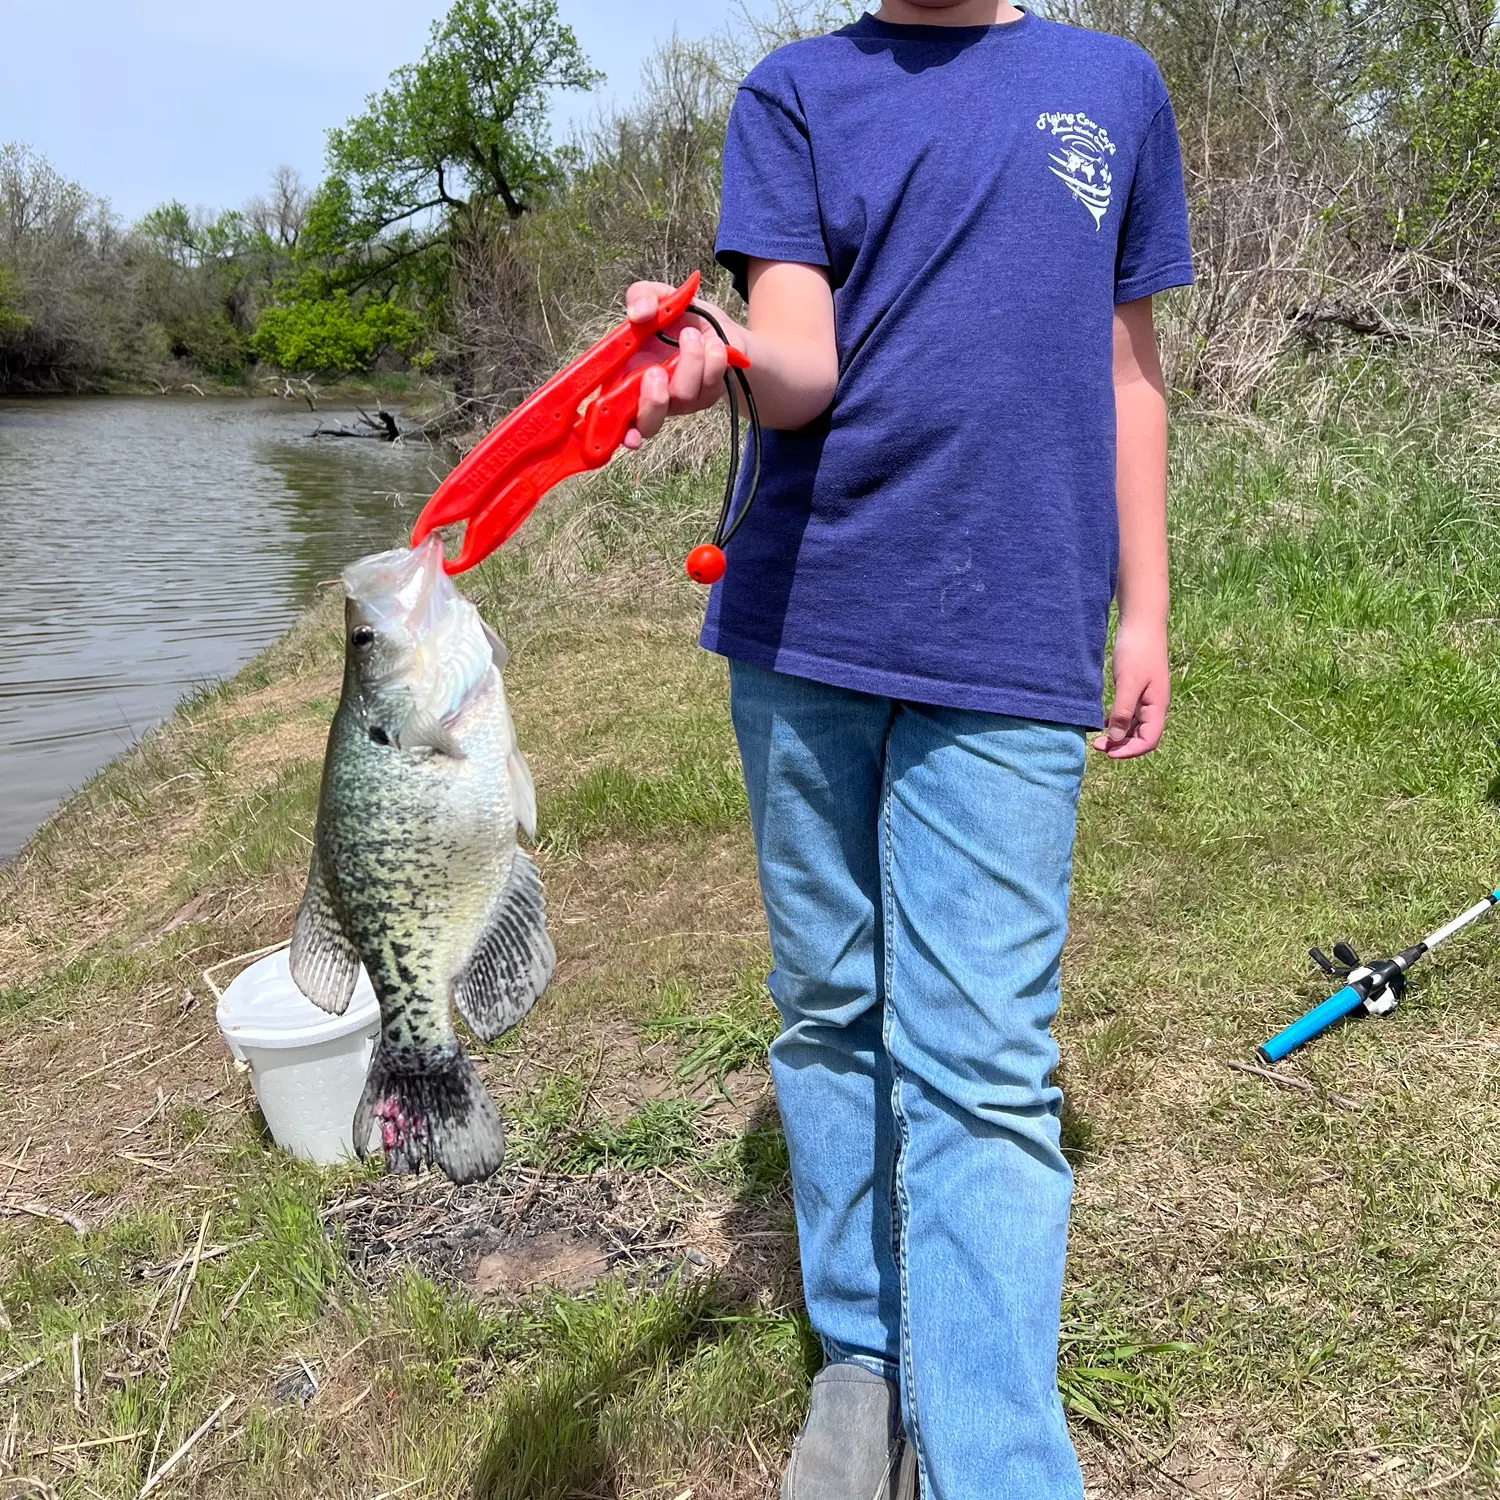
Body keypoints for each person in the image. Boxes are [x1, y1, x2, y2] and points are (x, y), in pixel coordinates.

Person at [622, 1, 1193, 1495]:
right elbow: (800, 360)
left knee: (986, 1064)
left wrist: (1148, 611)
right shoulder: (795, 94)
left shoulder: (1112, 88)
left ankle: (994, 1450)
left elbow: (1129, 370)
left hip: (1015, 625)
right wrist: (716, 355)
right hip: (805, 622)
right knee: (826, 1007)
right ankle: (865, 1360)